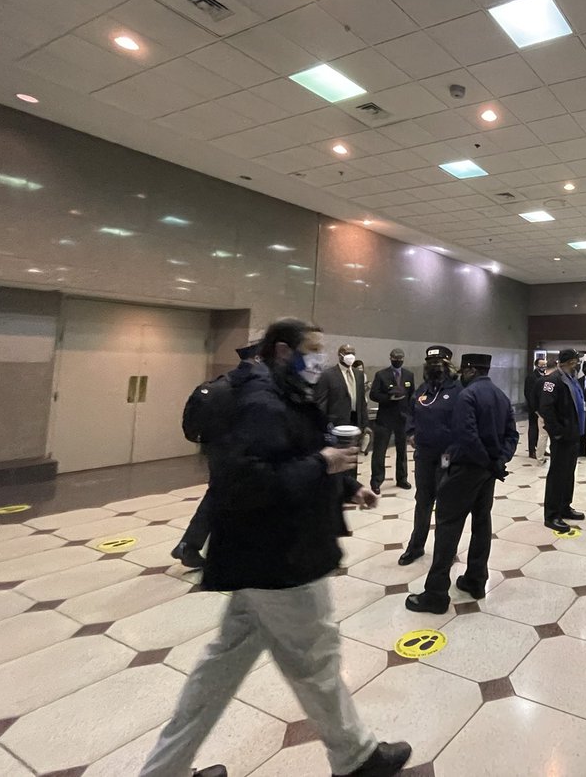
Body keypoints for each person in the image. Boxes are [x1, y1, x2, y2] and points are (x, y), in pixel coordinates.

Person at [140, 318, 410, 777]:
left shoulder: (277, 391)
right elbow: (250, 483)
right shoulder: (261, 401)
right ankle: (356, 758)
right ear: (283, 351)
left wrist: (344, 485)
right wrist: (323, 464)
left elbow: (289, 458)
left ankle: (164, 771)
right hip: (282, 556)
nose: (321, 358)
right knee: (317, 659)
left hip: (258, 556)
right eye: (314, 349)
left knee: (222, 664)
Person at [406, 353, 518, 614]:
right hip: (487, 474)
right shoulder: (501, 396)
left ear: (469, 370)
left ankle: (435, 594)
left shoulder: (467, 396)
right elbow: (512, 434)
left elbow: (466, 436)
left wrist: (487, 463)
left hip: (465, 471)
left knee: (447, 527)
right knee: (481, 524)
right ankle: (476, 581)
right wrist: (498, 461)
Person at [172, 339, 262, 570]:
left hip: (218, 451)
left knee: (219, 496)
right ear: (259, 358)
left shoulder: (224, 382)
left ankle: (189, 545)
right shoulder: (255, 384)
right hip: (245, 453)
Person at [399, 346, 458, 567]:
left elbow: (462, 423)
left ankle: (445, 551)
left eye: (439, 363)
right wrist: (410, 432)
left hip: (446, 457)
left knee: (445, 504)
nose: (434, 367)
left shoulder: (457, 391)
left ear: (448, 365)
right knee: (422, 501)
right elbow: (410, 414)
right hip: (424, 455)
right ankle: (416, 547)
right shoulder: (422, 390)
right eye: (430, 363)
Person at [539, 348, 586, 532]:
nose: (578, 364)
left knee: (568, 473)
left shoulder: (572, 378)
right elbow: (546, 409)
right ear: (567, 362)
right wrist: (557, 432)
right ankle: (551, 515)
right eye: (575, 361)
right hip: (562, 436)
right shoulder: (552, 381)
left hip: (574, 435)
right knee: (557, 475)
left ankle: (565, 506)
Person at [369, 348, 414, 492]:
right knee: (379, 452)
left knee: (402, 452)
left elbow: (412, 395)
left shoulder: (408, 375)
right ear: (390, 358)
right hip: (385, 418)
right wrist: (389, 398)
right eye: (395, 357)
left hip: (402, 419)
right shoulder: (381, 375)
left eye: (400, 358)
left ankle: (402, 479)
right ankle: (376, 481)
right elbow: (373, 395)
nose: (398, 360)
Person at [316, 344, 368, 431]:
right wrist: (323, 424)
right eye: (347, 353)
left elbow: (362, 401)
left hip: (356, 420)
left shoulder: (359, 375)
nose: (350, 356)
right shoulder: (328, 375)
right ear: (340, 355)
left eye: (353, 353)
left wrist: (365, 423)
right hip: (336, 423)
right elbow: (322, 403)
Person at [534, 359, 557, 462]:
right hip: (551, 413)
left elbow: (533, 396)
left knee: (542, 435)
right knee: (553, 436)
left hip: (541, 413)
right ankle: (554, 455)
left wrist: (536, 410)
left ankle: (539, 457)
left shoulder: (539, 380)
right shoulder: (554, 381)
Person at [524, 356, 546, 458]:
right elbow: (528, 393)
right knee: (533, 428)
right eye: (541, 365)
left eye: (545, 365)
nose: (543, 366)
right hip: (534, 408)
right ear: (536, 365)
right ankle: (532, 450)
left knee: (542, 430)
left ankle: (541, 448)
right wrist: (534, 408)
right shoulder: (531, 377)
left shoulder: (545, 376)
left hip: (542, 407)